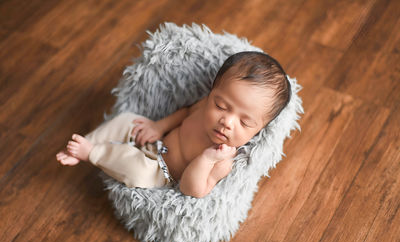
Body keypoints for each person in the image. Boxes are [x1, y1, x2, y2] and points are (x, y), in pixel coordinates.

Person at [56, 51, 291, 198]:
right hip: (156, 141)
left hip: (159, 173)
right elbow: (185, 112)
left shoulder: (222, 160)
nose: (227, 121)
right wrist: (158, 127)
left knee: (137, 170)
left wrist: (206, 159)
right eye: (221, 105)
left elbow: (192, 190)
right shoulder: (203, 106)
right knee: (128, 120)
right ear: (212, 93)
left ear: (259, 129)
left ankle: (93, 153)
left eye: (245, 121)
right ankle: (89, 141)